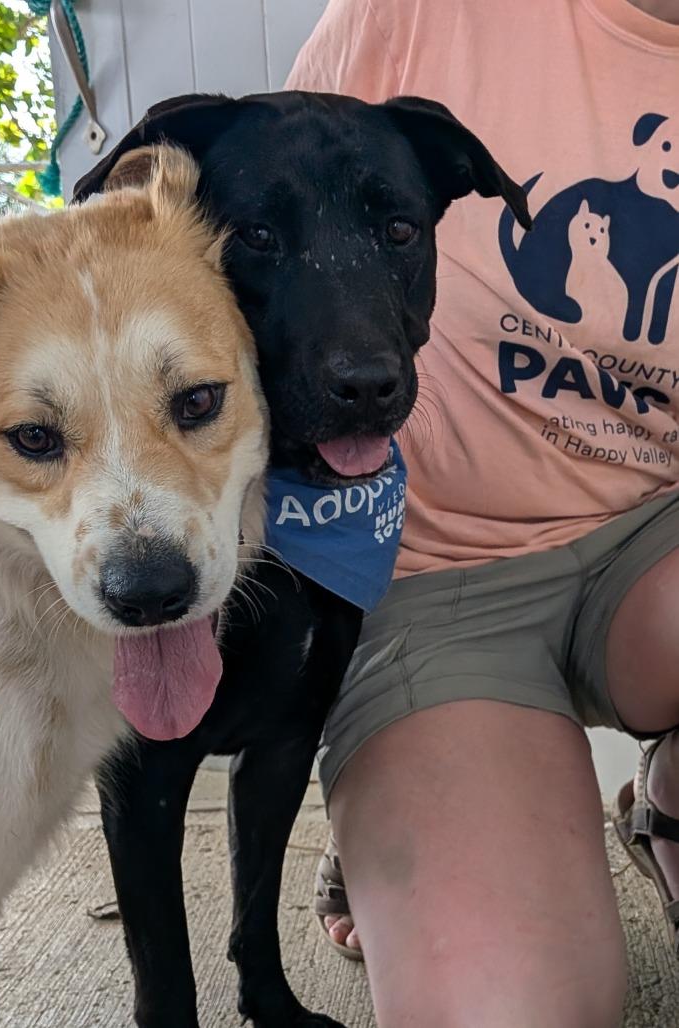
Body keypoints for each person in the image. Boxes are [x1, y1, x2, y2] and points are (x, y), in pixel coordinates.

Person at [285, 1, 679, 1024]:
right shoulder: (414, 14)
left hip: (654, 538)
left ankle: (667, 802)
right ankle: (397, 793)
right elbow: (247, 242)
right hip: (422, 574)